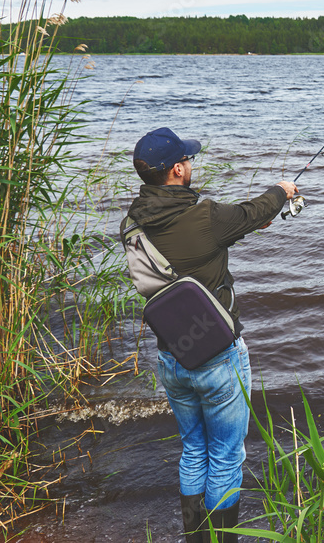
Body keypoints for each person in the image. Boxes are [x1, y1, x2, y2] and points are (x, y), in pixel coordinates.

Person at [126, 127, 297, 543]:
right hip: (218, 358)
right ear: (178, 169)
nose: (191, 165)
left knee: (194, 450)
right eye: (188, 160)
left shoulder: (131, 223)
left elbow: (216, 235)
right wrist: (283, 189)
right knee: (226, 456)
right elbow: (254, 211)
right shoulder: (205, 216)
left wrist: (245, 224)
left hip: (172, 356)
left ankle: (195, 538)